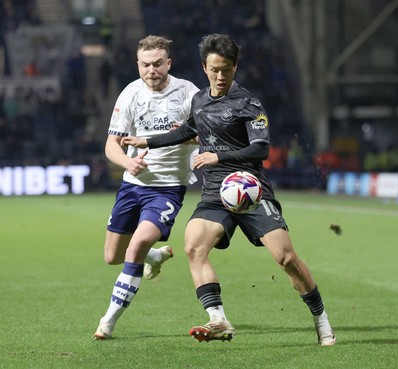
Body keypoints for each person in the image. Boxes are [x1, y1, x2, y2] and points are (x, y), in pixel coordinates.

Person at [122, 33, 336, 346]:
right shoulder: (199, 100)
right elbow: (189, 130)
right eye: (214, 70)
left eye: (226, 69)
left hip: (250, 191)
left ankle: (320, 317)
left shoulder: (248, 103)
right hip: (214, 194)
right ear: (204, 68)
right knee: (193, 246)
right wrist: (148, 141)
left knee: (286, 259)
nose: (220, 76)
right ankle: (218, 318)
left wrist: (218, 155)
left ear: (235, 67)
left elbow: (260, 149)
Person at [94, 35, 199, 340]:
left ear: (169, 63)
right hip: (132, 185)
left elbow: (207, 132)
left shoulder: (188, 93)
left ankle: (108, 321)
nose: (151, 70)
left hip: (167, 188)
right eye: (145, 64)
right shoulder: (130, 94)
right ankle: (154, 257)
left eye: (157, 64)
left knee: (137, 245)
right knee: (112, 256)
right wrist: (126, 164)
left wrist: (185, 137)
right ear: (137, 64)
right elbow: (111, 145)